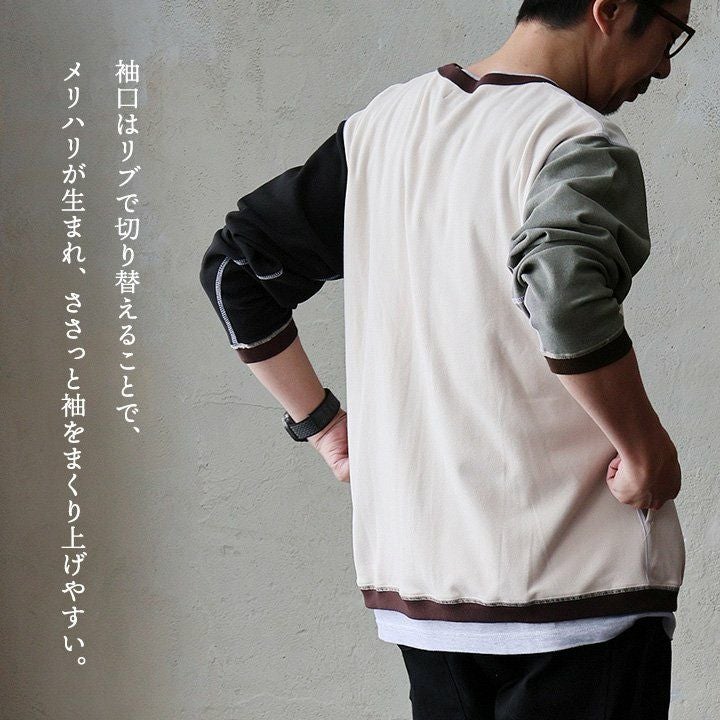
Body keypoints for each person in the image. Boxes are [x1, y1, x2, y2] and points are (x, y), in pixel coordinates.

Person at [198, 0, 693, 716]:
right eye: (672, 34)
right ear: (609, 10)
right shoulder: (574, 140)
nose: (666, 68)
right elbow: (563, 294)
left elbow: (234, 271)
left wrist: (324, 426)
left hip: (426, 601)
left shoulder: (381, 129)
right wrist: (645, 450)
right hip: (581, 593)